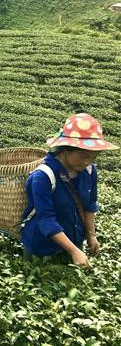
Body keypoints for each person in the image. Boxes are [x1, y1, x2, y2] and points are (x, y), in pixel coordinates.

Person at [21, 113, 118, 266]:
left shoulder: (89, 171)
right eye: (83, 156)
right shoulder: (43, 177)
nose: (88, 162)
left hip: (74, 240)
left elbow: (89, 205)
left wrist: (91, 235)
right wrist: (73, 251)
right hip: (41, 246)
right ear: (65, 149)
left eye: (93, 157)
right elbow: (46, 219)